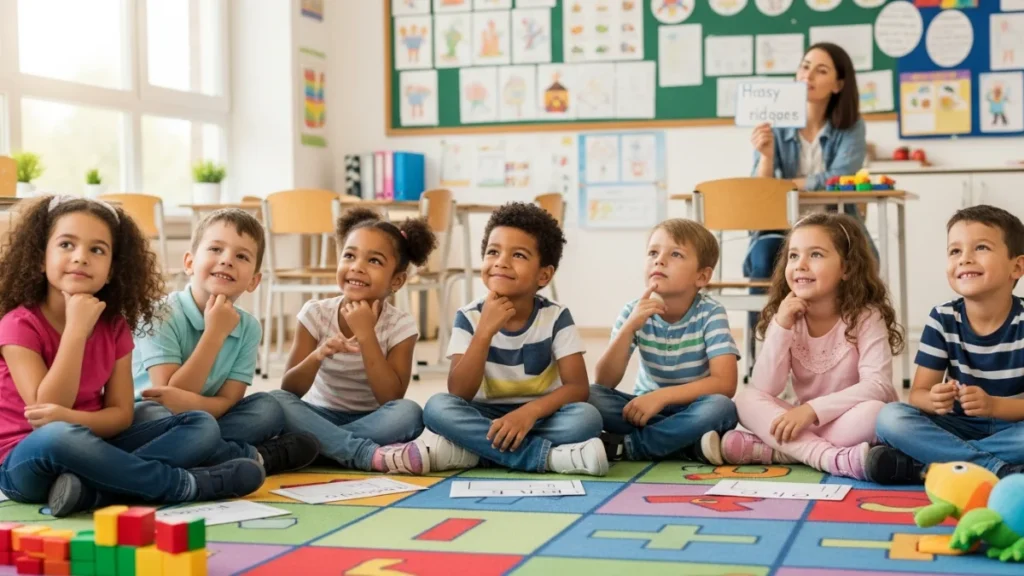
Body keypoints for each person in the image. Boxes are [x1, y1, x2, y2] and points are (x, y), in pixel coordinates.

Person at [0, 196, 263, 517]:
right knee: (59, 437)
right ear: (40, 258)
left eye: (97, 250)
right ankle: (184, 484)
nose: (81, 258)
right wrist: (76, 331)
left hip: (94, 445)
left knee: (201, 425)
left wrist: (75, 423)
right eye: (67, 244)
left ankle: (94, 492)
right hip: (25, 463)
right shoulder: (17, 325)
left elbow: (121, 416)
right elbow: (46, 416)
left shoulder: (113, 326)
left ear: (112, 270)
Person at [422, 202, 607, 476]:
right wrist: (484, 331)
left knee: (586, 419)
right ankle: (546, 458)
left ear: (544, 275)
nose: (501, 262)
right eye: (493, 252)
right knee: (437, 408)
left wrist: (528, 413)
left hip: (538, 417)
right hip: (483, 415)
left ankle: (475, 452)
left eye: (518, 255)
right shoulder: (469, 317)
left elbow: (577, 387)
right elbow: (459, 392)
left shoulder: (556, 317)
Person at [132, 208, 319, 475]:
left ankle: (192, 453)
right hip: (151, 419)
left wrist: (197, 408)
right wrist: (214, 334)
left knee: (268, 408)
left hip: (204, 420)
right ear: (189, 264)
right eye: (216, 249)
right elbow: (168, 399)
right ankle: (250, 456)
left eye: (241, 256)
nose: (227, 260)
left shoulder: (249, 327)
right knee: (165, 419)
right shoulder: (161, 314)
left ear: (254, 281)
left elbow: (229, 400)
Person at [724, 213, 903, 480]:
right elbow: (766, 389)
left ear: (847, 268)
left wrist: (812, 410)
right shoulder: (786, 317)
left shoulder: (867, 316)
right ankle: (830, 458)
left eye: (816, 255)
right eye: (794, 256)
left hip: (845, 419)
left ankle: (780, 451)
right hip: (805, 421)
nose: (800, 265)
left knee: (877, 413)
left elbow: (878, 386)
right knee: (745, 399)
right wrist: (781, 327)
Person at [270, 208, 437, 474]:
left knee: (409, 414)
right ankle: (359, 453)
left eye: (374, 261)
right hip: (317, 413)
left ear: (397, 280)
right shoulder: (315, 314)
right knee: (275, 401)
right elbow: (290, 389)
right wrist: (318, 355)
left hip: (372, 419)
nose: (357, 266)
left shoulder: (400, 326)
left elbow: (391, 398)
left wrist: (366, 335)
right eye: (349, 255)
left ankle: (316, 446)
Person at [868, 206, 1024, 484]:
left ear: (1017, 266)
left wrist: (993, 406)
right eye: (955, 251)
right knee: (890, 417)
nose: (965, 259)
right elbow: (918, 394)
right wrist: (935, 400)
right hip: (956, 427)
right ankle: (996, 469)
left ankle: (922, 466)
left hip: (1012, 428)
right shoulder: (943, 318)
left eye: (981, 248)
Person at [589, 219, 739, 465]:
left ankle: (633, 446)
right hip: (643, 410)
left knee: (721, 408)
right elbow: (604, 381)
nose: (659, 260)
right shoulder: (632, 311)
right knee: (590, 396)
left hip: (693, 408)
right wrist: (629, 328)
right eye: (653, 252)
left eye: (676, 254)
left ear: (702, 276)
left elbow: (725, 384)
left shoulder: (710, 313)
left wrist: (663, 396)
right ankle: (685, 444)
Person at [744, 42, 871, 333]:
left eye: (821, 70)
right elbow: (762, 192)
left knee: (865, 262)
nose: (808, 76)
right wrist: (766, 156)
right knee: (763, 260)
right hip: (779, 226)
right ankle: (761, 347)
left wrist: (787, 185)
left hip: (835, 226)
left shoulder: (851, 126)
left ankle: (850, 340)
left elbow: (841, 176)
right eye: (805, 66)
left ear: (838, 84)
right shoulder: (773, 124)